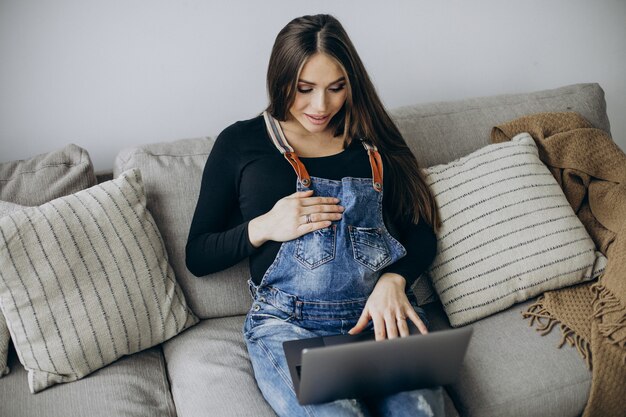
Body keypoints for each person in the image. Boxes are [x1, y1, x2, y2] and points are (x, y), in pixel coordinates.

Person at [186, 14, 442, 417]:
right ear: (280, 78)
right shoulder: (240, 142)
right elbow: (197, 255)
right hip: (289, 326)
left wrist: (396, 279)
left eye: (336, 88)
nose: (321, 106)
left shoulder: (372, 139)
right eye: (304, 89)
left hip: (381, 317)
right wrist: (264, 226)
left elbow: (422, 231)